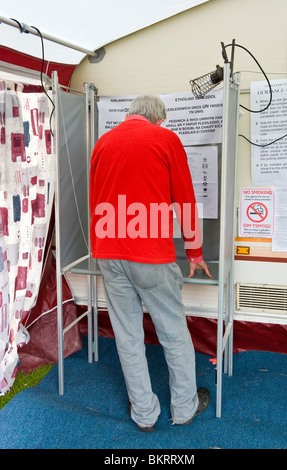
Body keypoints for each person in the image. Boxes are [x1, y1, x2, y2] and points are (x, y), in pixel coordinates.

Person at [89, 95, 212, 432]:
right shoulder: (165, 138)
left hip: (109, 251)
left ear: (130, 116)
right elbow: (185, 198)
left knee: (127, 335)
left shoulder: (103, 142)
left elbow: (95, 198)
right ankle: (184, 408)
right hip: (151, 255)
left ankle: (144, 414)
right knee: (173, 333)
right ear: (158, 120)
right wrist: (195, 252)